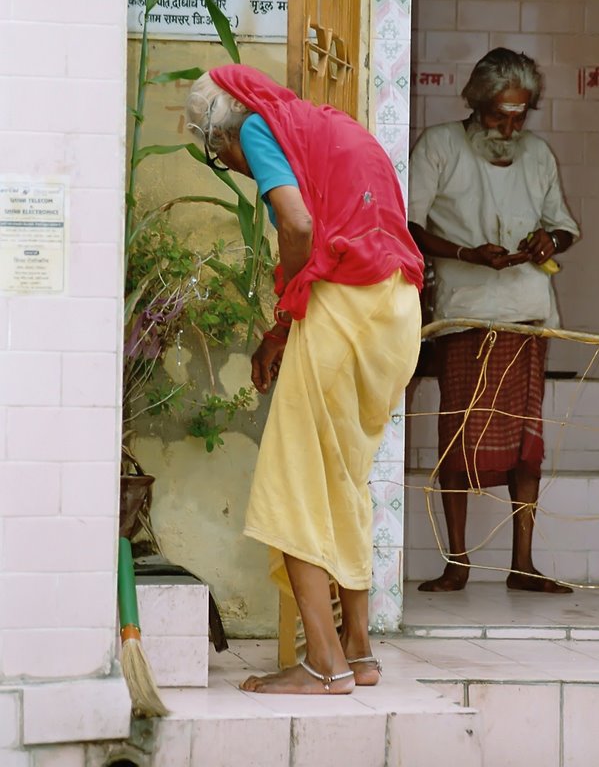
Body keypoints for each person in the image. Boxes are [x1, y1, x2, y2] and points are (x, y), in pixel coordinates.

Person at [185, 64, 423, 693]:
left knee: (291, 483)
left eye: (221, 159)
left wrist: (283, 311)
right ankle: (360, 651)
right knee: (341, 478)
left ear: (223, 135)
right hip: (397, 311)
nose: (236, 169)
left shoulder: (261, 128)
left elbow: (297, 226)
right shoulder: (332, 128)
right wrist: (285, 330)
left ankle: (324, 664)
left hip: (345, 307)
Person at [408, 47, 579, 595]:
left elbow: (565, 227)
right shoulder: (439, 146)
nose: (509, 125)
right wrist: (466, 253)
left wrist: (549, 240)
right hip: (465, 317)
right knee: (459, 440)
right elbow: (406, 225)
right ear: (476, 103)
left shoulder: (538, 154)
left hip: (527, 315)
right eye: (499, 113)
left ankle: (522, 563)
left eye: (520, 114)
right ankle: (456, 562)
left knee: (528, 445)